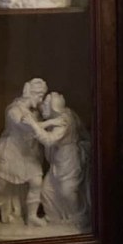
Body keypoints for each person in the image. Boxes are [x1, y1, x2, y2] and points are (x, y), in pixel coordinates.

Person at [0, 79, 51, 230]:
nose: (40, 100)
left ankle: (32, 216)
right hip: (12, 151)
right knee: (0, 186)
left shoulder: (34, 113)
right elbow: (25, 127)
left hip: (28, 153)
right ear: (30, 94)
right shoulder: (13, 110)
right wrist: (48, 124)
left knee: (36, 182)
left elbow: (35, 128)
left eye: (42, 97)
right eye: (39, 96)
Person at [39, 93, 89, 228]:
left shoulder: (63, 120)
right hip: (58, 160)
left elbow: (48, 140)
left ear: (53, 107)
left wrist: (34, 124)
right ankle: (55, 217)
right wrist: (47, 122)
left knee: (67, 190)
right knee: (46, 190)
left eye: (45, 104)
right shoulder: (60, 117)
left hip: (68, 159)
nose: (41, 106)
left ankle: (77, 217)